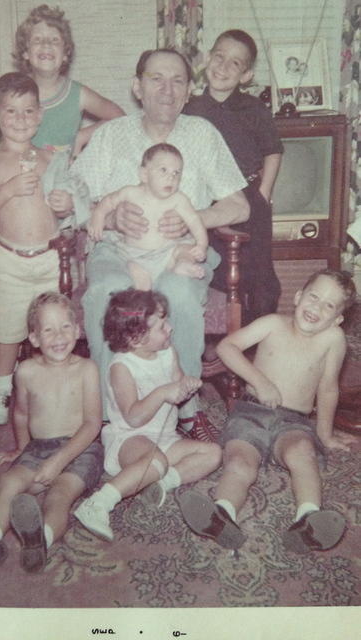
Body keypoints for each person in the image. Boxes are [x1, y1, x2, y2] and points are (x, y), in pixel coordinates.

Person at [57, 47, 250, 439]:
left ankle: (187, 408)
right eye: (156, 79)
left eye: (178, 80)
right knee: (109, 291)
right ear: (137, 87)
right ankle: (110, 414)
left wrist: (194, 219)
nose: (167, 89)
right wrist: (109, 217)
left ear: (187, 90)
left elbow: (239, 205)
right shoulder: (112, 135)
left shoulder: (202, 134)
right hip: (117, 249)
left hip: (178, 253)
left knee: (176, 291)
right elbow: (71, 198)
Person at [178, 269, 358, 554]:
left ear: (338, 319)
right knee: (239, 462)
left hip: (294, 422)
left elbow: (327, 388)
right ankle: (222, 515)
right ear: (298, 297)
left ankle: (308, 520)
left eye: (329, 305)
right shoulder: (273, 323)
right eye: (314, 297)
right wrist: (260, 381)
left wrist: (324, 433)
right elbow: (228, 347)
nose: (317, 308)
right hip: (251, 411)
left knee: (303, 453)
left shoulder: (333, 340)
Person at [0, 292, 103, 576]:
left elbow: (93, 424)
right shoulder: (26, 371)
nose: (58, 336)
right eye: (48, 329)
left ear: (77, 331)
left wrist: (58, 461)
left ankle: (39, 542)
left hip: (80, 449)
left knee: (58, 495)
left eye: (65, 327)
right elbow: (20, 413)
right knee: (9, 481)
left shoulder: (87, 369)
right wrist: (22, 448)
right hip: (39, 448)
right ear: (33, 338)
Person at [0, 72, 72, 426]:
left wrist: (63, 205)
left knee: (53, 328)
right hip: (10, 261)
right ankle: (1, 390)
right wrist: (8, 188)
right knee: (7, 331)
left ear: (40, 115)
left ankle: (55, 388)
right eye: (11, 112)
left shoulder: (49, 159)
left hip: (49, 259)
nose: (20, 120)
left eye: (28, 112)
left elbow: (66, 210)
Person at [74, 288, 222, 541]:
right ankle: (98, 503)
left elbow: (177, 382)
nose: (170, 328)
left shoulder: (167, 352)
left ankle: (159, 484)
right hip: (129, 439)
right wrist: (164, 392)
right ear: (136, 338)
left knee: (213, 453)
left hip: (164, 438)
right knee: (157, 461)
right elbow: (133, 417)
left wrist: (186, 384)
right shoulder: (122, 367)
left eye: (166, 321)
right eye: (161, 325)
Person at [184, 29, 283, 326]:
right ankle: (222, 336)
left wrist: (262, 194)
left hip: (249, 198)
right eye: (219, 57)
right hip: (208, 201)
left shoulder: (254, 109)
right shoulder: (190, 108)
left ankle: (258, 339)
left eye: (235, 64)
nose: (223, 67)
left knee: (258, 275)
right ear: (206, 59)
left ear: (246, 75)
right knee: (217, 271)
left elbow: (273, 151)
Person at [0, 4, 124, 157]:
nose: (46, 44)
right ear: (26, 51)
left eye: (54, 40)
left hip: (59, 182)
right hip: (17, 178)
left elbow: (119, 117)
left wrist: (83, 136)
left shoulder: (78, 94)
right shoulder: (11, 90)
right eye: (37, 40)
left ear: (66, 54)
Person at [88, 143, 208, 290]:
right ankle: (143, 295)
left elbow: (194, 221)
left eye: (176, 173)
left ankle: (183, 265)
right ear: (144, 175)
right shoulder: (130, 193)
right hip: (133, 255)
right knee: (133, 273)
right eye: (163, 170)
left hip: (166, 253)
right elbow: (108, 201)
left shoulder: (178, 199)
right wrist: (98, 216)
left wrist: (201, 245)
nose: (171, 177)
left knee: (185, 250)